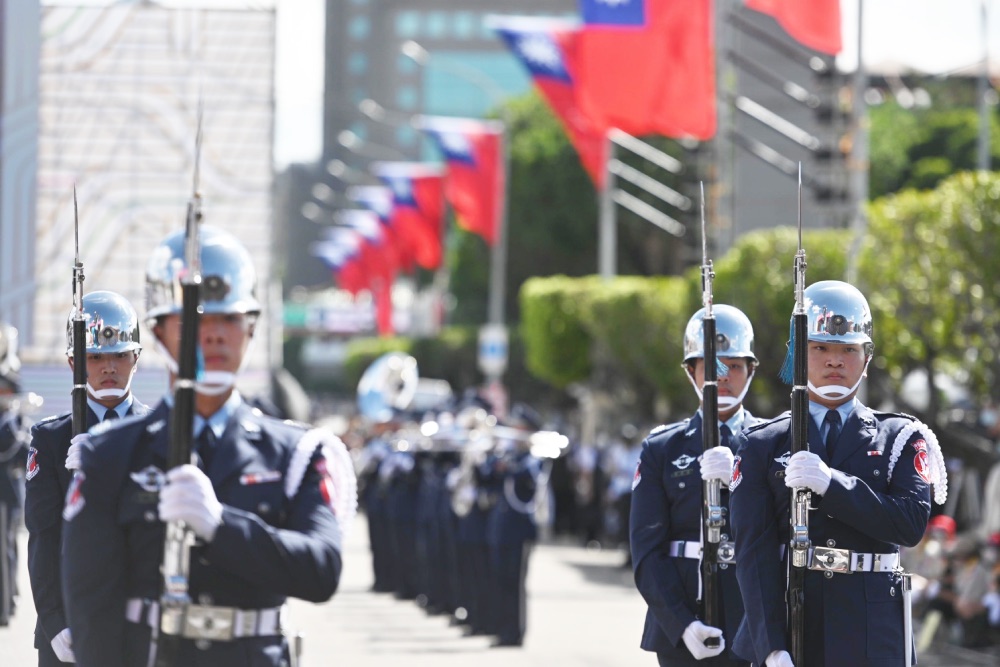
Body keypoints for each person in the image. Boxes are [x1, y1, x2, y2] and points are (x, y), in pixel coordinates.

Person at [61, 225, 357, 666]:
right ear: (160, 333)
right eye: (196, 321)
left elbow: (321, 569)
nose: (214, 335)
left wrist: (223, 526)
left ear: (251, 330)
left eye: (229, 320)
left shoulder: (296, 452)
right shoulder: (110, 454)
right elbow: (91, 604)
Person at [730, 280, 948, 667]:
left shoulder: (900, 435)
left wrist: (833, 485)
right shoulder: (762, 443)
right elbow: (754, 554)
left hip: (873, 628)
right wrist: (770, 645)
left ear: (867, 357)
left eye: (848, 349)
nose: (835, 360)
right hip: (798, 620)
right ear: (798, 353)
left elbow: (910, 524)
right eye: (820, 348)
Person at [630, 304, 763, 665]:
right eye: (712, 366)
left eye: (734, 366)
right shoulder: (662, 448)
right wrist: (682, 623)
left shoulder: (771, 442)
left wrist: (739, 475)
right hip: (681, 617)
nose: (723, 376)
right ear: (692, 371)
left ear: (750, 370)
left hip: (752, 624)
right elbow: (646, 550)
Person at [24, 293, 150, 665]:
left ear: (136, 359)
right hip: (68, 627)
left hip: (139, 625)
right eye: (95, 357)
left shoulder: (159, 433)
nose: (108, 367)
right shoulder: (50, 440)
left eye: (119, 355)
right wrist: (53, 621)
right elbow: (43, 538)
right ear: (72, 362)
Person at [1, 323, 30, 628]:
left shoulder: (14, 421)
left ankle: (7, 604)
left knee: (7, 547)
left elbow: (19, 451)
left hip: (7, 491)